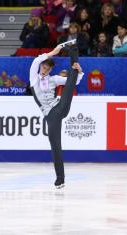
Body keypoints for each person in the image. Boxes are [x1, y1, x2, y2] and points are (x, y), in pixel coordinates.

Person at [29, 44, 84, 189]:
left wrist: (80, 72)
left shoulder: (54, 79)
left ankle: (74, 52)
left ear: (51, 70)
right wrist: (53, 52)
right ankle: (60, 178)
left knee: (71, 81)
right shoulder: (34, 79)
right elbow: (35, 62)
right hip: (50, 115)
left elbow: (74, 82)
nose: (44, 69)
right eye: (44, 67)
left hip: (60, 107)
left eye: (47, 68)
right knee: (55, 146)